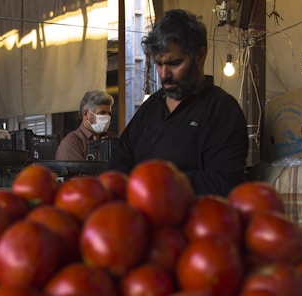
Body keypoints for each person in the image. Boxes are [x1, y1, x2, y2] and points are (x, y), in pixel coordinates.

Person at [109, 9, 249, 197]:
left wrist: (155, 186)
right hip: (139, 220)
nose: (164, 75)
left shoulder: (222, 110)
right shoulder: (151, 107)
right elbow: (119, 164)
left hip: (194, 222)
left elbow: (223, 182)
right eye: (159, 64)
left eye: (174, 63)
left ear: (200, 55)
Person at [55, 90, 114, 161]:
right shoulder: (71, 143)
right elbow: (78, 171)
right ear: (86, 114)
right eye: (102, 113)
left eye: (109, 113)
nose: (107, 117)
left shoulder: (112, 139)